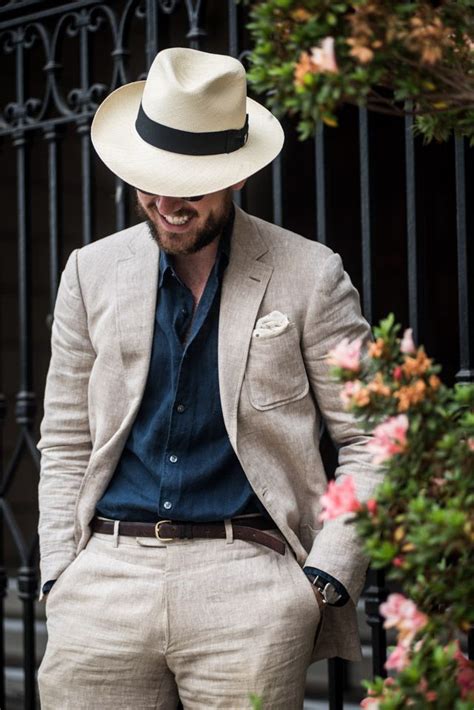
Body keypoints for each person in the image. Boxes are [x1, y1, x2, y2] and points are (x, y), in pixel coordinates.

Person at [37, 47, 379, 709]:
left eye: (190, 184)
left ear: (234, 175)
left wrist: (325, 575)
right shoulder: (90, 271)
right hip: (105, 581)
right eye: (150, 180)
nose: (167, 202)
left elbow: (372, 442)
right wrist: (59, 576)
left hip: (249, 581)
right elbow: (66, 439)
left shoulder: (310, 274)